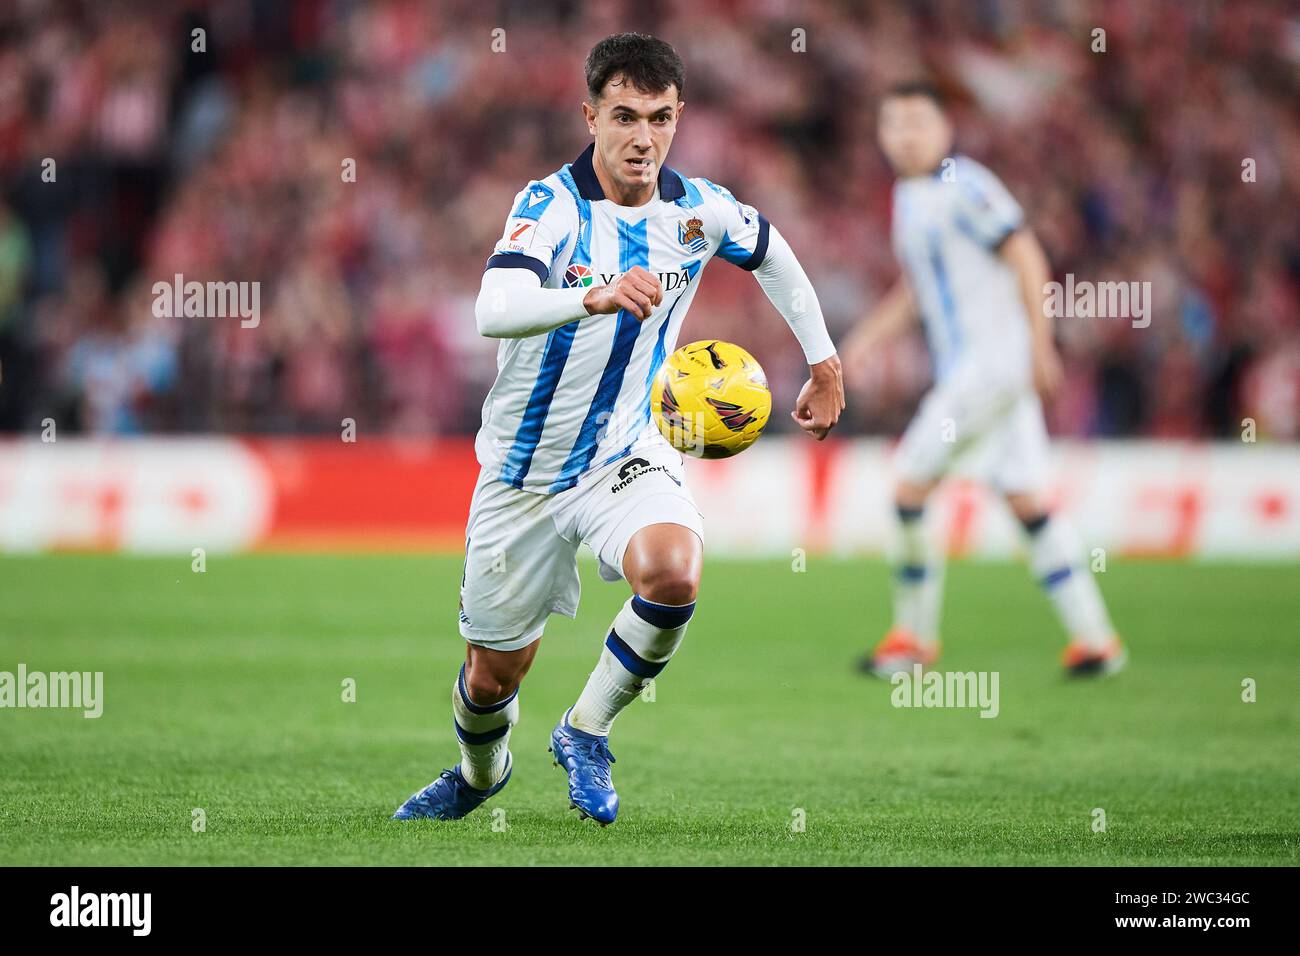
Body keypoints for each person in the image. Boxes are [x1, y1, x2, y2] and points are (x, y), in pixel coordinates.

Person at [394, 33, 844, 825]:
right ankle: (478, 773)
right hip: (522, 477)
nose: (644, 138)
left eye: (661, 118)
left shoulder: (697, 210)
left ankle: (585, 730)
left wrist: (824, 361)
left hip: (623, 453)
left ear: (679, 117)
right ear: (590, 115)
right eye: (626, 116)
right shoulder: (549, 207)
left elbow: (772, 253)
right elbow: (492, 311)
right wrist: (592, 295)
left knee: (674, 572)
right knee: (494, 677)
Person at [842, 82, 1124, 679]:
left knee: (908, 489)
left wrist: (1041, 345)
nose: (906, 134)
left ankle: (913, 640)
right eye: (893, 124)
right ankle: (1097, 642)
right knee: (1026, 500)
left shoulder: (964, 184)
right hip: (987, 372)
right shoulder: (909, 196)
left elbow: (1027, 256)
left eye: (919, 122)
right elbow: (917, 289)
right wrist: (860, 345)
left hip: (990, 366)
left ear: (946, 129)